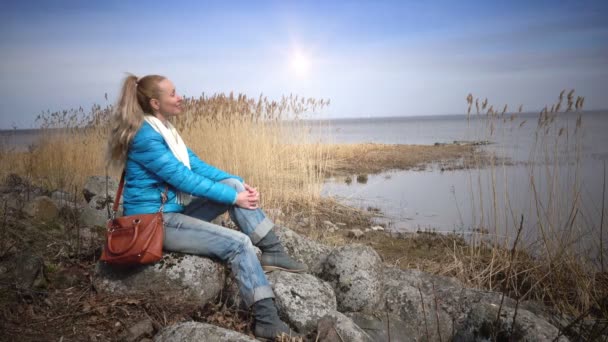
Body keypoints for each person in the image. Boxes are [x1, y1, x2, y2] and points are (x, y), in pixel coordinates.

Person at [105, 73, 306, 340]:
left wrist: (240, 186)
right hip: (155, 222)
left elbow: (196, 166)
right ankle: (267, 319)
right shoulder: (146, 137)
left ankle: (272, 251)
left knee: (232, 186)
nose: (180, 97)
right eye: (173, 93)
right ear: (155, 103)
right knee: (239, 244)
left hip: (172, 213)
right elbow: (183, 178)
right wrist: (234, 200)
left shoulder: (165, 131)